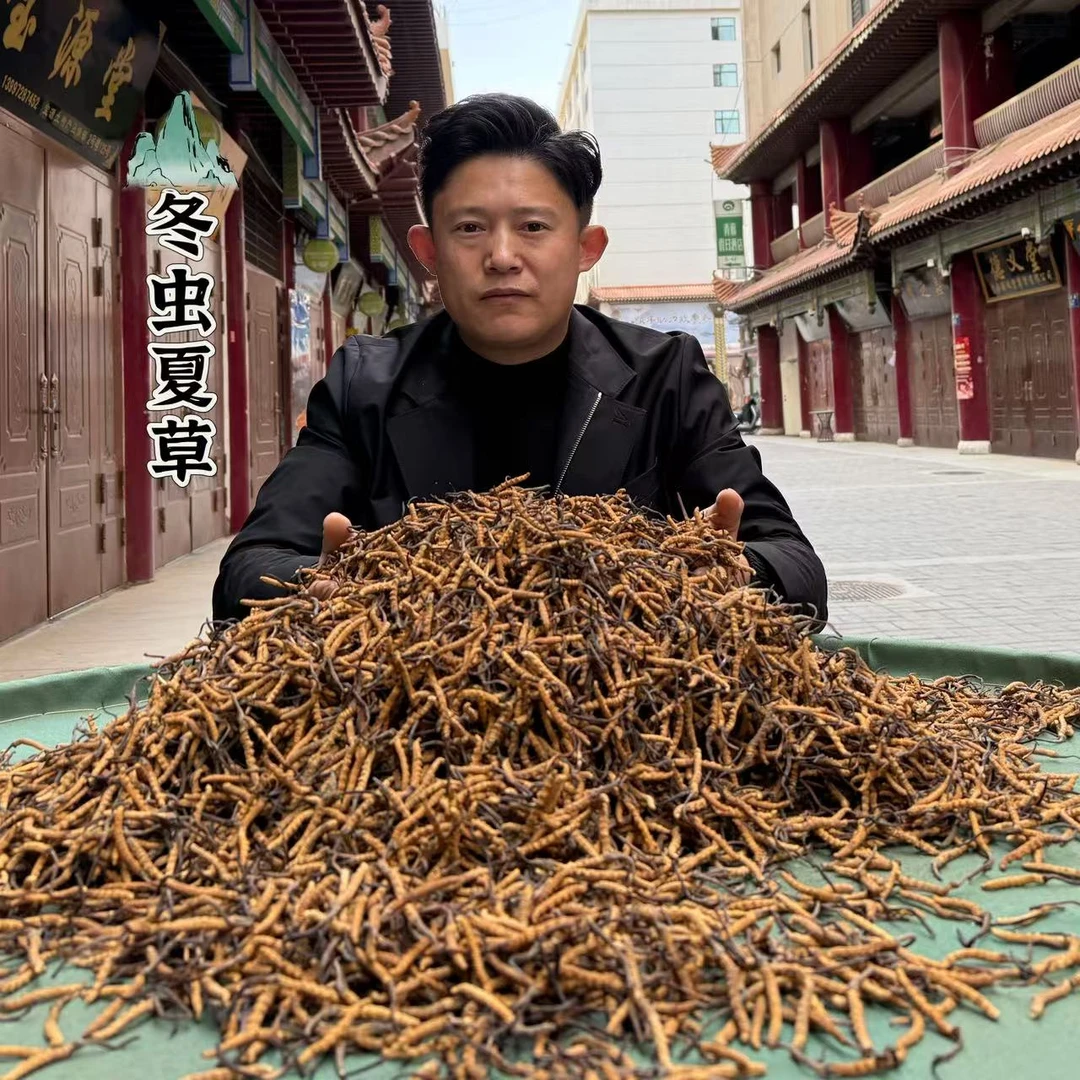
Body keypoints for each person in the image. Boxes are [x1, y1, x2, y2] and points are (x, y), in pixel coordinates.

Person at [212, 95, 828, 627]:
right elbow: (249, 568)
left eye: (533, 226)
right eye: (471, 228)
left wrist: (723, 577)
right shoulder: (362, 386)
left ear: (587, 248)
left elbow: (797, 567)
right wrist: (325, 591)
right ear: (428, 250)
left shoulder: (666, 377)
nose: (503, 256)